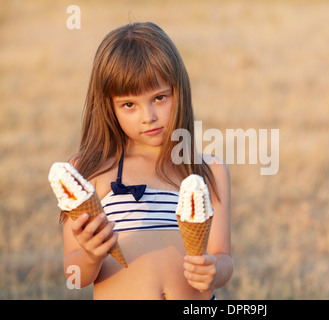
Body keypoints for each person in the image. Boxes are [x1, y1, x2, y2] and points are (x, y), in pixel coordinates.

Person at [62, 22, 233, 299]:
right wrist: (91, 255)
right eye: (129, 104)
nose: (148, 116)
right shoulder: (88, 170)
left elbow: (223, 256)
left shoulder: (208, 170)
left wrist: (215, 270)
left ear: (179, 91)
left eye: (160, 97)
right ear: (109, 106)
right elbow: (74, 276)